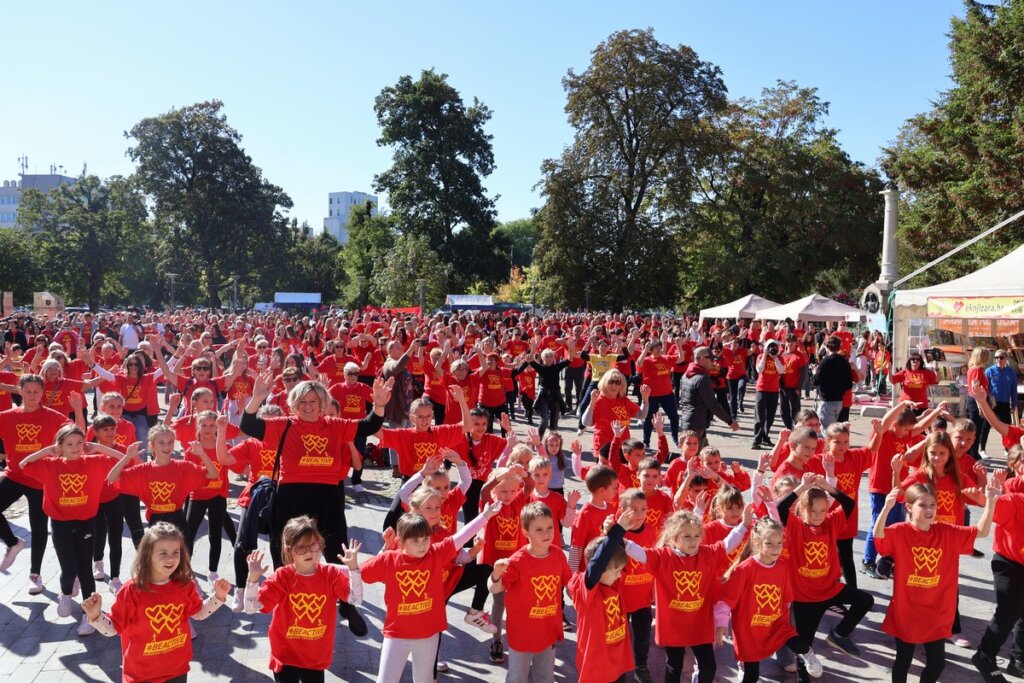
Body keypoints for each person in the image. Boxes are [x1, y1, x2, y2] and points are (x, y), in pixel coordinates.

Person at [874, 478, 1002, 683]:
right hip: (908, 610)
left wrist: (991, 501)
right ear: (909, 507)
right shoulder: (900, 531)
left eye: (933, 504)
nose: (929, 509)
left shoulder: (946, 531)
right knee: (903, 660)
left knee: (936, 663)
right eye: (922, 504)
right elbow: (878, 535)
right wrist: (887, 508)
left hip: (937, 611)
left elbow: (982, 531)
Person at [359, 505, 500, 683]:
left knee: (424, 680)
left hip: (429, 635)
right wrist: (318, 570)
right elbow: (358, 573)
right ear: (401, 542)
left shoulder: (436, 553)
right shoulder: (389, 559)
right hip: (396, 635)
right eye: (415, 541)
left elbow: (462, 535)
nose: (422, 544)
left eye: (426, 538)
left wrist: (486, 515)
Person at [80, 523, 231, 682]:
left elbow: (199, 613)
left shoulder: (184, 584)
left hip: (177, 671)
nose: (171, 558)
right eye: (163, 553)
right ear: (147, 555)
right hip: (141, 676)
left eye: (176, 552)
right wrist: (96, 615)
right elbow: (112, 630)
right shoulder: (132, 591)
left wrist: (218, 597)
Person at [19, 424, 131, 635]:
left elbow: (123, 458)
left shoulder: (93, 462)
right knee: (68, 569)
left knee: (85, 570)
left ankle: (89, 616)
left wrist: (98, 448)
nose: (76, 447)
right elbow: (24, 463)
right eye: (69, 444)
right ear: (60, 445)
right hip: (60, 524)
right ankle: (65, 593)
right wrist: (49, 450)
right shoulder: (51, 465)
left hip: (86, 522)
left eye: (79, 443)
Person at [622, 508, 750, 683]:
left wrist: (744, 525)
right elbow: (637, 551)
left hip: (700, 624)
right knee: (674, 666)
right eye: (687, 536)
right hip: (674, 626)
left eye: (697, 536)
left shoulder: (707, 554)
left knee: (709, 668)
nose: (694, 541)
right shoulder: (663, 557)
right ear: (674, 539)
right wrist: (616, 534)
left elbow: (728, 543)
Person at [244, 517, 363, 683]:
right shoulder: (282, 577)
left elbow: (356, 599)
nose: (308, 552)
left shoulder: (330, 574)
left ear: (320, 544)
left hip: (315, 657)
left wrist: (353, 569)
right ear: (289, 550)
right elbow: (251, 608)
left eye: (313, 545)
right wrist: (253, 578)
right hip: (285, 654)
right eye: (301, 547)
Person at [778, 473, 874, 675]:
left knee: (865, 600)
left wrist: (827, 486)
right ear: (802, 510)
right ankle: (803, 678)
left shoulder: (830, 523)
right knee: (805, 650)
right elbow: (780, 508)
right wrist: (802, 487)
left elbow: (849, 504)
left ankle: (838, 635)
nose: (818, 515)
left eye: (822, 510)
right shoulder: (795, 527)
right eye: (812, 511)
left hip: (830, 590)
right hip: (805, 598)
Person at [715, 517, 813, 682]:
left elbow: (786, 597)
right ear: (757, 542)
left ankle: (807, 658)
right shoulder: (745, 569)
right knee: (751, 673)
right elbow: (727, 599)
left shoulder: (782, 566)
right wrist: (722, 623)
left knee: (797, 642)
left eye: (779, 543)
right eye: (769, 544)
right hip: (750, 630)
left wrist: (783, 617)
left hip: (774, 623)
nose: (776, 548)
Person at [0, 374, 72, 591]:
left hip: (40, 480)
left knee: (38, 527)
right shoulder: (6, 416)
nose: (32, 396)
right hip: (14, 475)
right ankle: (13, 543)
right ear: (20, 391)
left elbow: (74, 433)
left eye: (36, 392)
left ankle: (35, 574)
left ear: (43, 393)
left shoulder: (52, 416)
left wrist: (59, 452)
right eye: (28, 391)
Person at [488, 502, 574, 683]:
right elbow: (495, 588)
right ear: (526, 533)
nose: (547, 533)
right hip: (522, 635)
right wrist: (496, 574)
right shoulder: (517, 561)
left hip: (548, 630)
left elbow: (571, 583)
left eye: (550, 527)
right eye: (539, 529)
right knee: (517, 678)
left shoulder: (558, 555)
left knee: (545, 677)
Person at [568, 510, 638, 683]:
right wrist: (618, 530)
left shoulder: (612, 582)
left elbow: (610, 556)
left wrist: (611, 533)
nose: (619, 575)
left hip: (618, 660)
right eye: (615, 571)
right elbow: (598, 563)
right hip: (597, 666)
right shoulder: (585, 589)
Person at [678, 347, 739, 448]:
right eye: (711, 359)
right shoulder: (702, 378)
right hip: (697, 425)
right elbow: (713, 404)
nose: (713, 362)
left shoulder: (686, 374)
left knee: (704, 456)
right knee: (696, 459)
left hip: (688, 422)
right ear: (702, 359)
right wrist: (730, 421)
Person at [812, 335, 852, 429]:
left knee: (824, 429)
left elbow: (816, 381)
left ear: (826, 346)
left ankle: (827, 444)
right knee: (833, 428)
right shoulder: (844, 362)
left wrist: (814, 372)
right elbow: (848, 384)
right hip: (839, 400)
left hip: (827, 400)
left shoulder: (825, 361)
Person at [753, 339, 786, 449]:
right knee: (760, 416)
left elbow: (781, 371)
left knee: (770, 417)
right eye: (771, 347)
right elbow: (759, 369)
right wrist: (764, 355)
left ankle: (765, 436)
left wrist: (775, 358)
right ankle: (756, 440)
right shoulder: (760, 356)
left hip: (774, 390)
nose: (773, 349)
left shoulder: (780, 358)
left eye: (775, 347)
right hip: (761, 389)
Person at [984, 351, 1018, 458]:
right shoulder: (989, 371)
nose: (999, 359)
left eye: (1001, 357)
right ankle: (982, 449)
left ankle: (1007, 448)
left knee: (1007, 428)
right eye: (996, 357)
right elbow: (985, 388)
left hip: (1004, 403)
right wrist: (985, 402)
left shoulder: (1011, 372)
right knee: (986, 426)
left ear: (1006, 358)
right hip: (993, 403)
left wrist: (1014, 404)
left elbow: (1014, 389)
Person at [890, 352, 939, 417]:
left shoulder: (926, 372)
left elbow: (936, 381)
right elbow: (892, 380)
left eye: (918, 359)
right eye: (913, 359)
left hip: (921, 406)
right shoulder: (905, 372)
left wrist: (937, 369)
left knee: (920, 426)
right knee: (905, 426)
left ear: (920, 362)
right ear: (909, 361)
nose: (915, 361)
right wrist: (889, 370)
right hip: (906, 405)